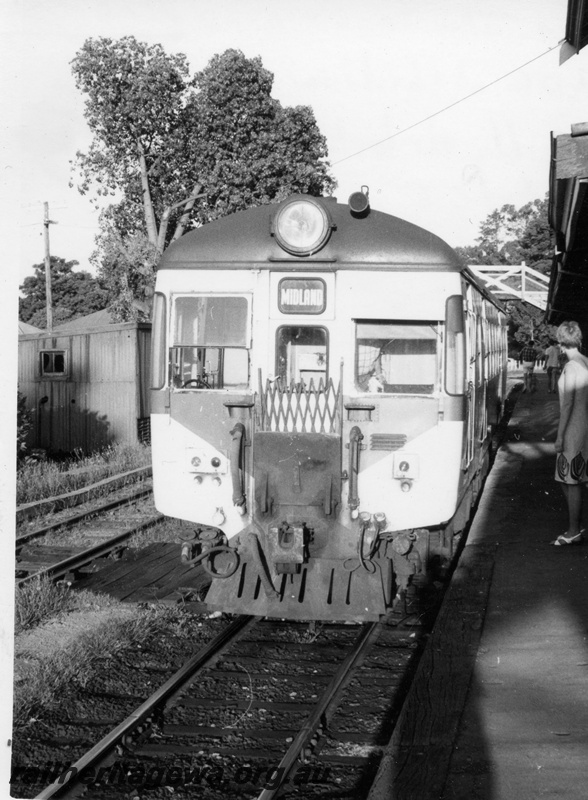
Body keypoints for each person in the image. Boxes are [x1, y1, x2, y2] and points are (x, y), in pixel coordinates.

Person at [552, 320, 588, 546]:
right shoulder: (585, 361)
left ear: (560, 342)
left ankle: (574, 530)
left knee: (569, 479)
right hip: (584, 426)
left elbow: (567, 404)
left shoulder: (571, 366)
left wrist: (559, 435)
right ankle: (577, 524)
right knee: (574, 477)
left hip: (573, 428)